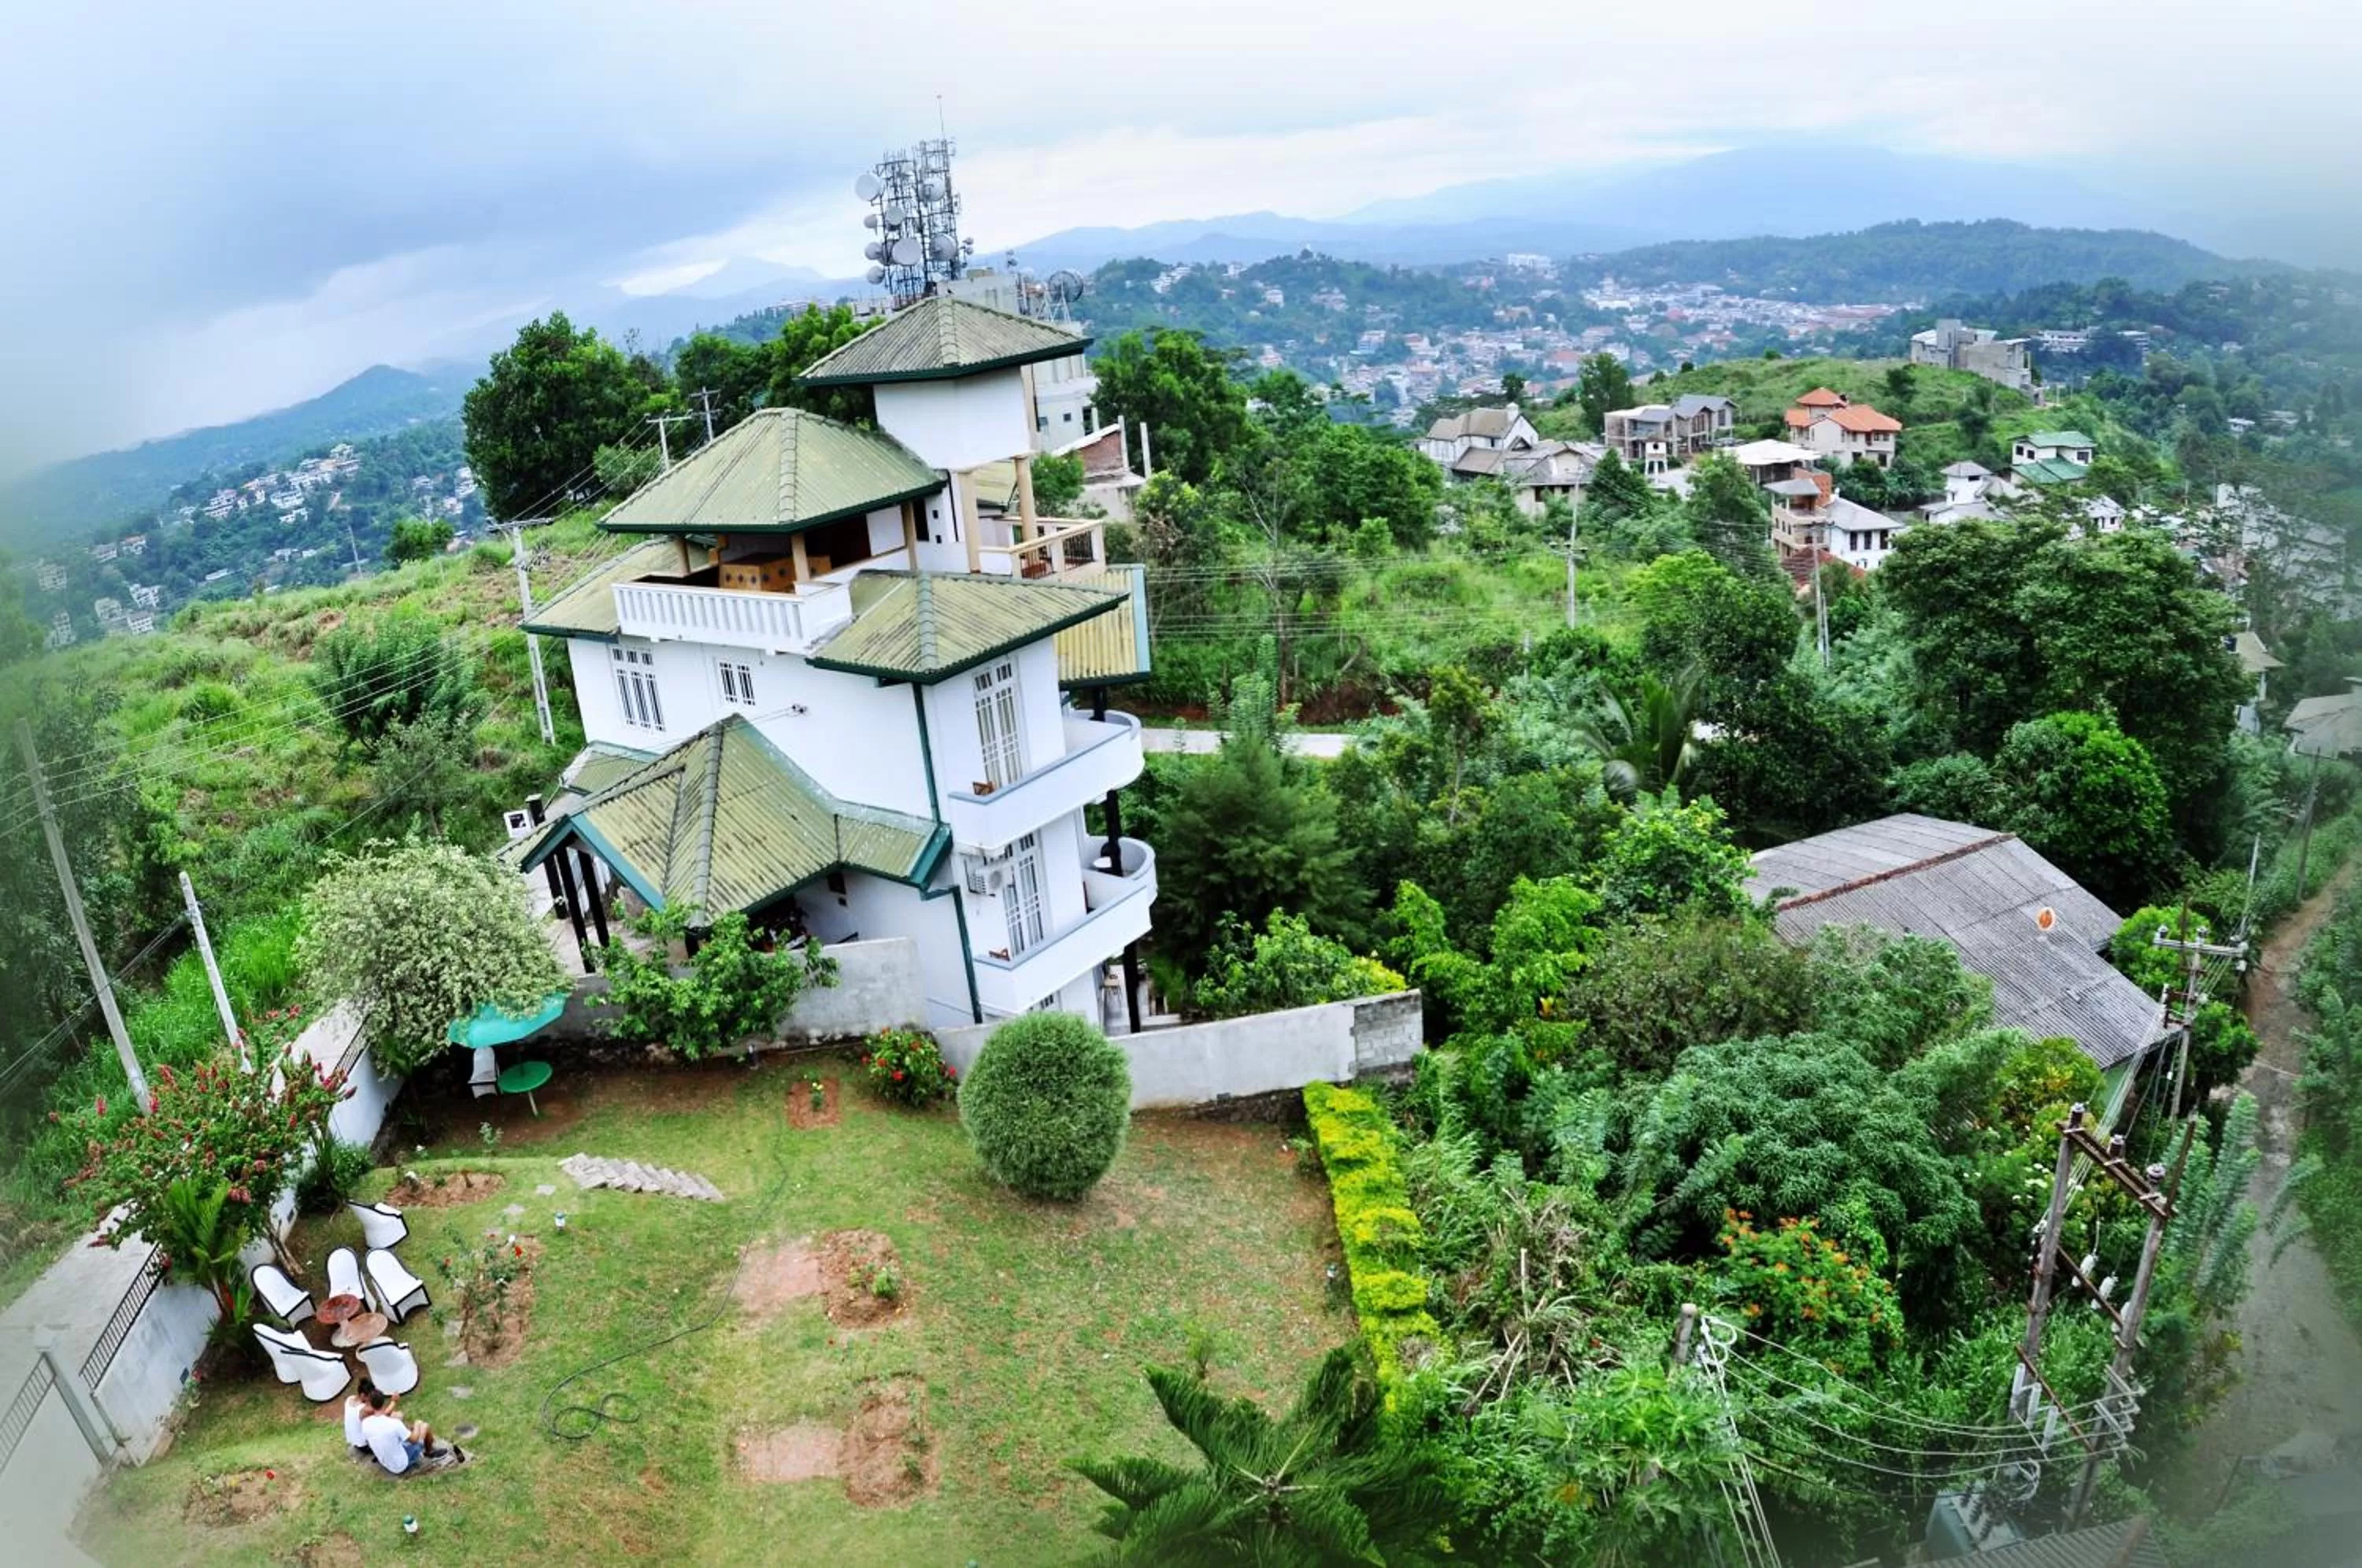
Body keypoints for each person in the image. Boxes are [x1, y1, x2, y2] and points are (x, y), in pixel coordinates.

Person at [359, 1387, 438, 1474]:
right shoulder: (394, 1424)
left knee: (408, 1431)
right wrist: (417, 1425)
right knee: (424, 1426)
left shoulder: (365, 1423)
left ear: (370, 1404)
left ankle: (427, 1450)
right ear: (384, 1402)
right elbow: (414, 1440)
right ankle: (428, 1453)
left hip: (385, 1462)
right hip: (400, 1465)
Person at [342, 1377, 380, 1457]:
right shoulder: (364, 1409)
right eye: (370, 1396)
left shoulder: (349, 1399)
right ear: (363, 1395)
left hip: (354, 1441)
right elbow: (380, 1415)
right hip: (364, 1445)